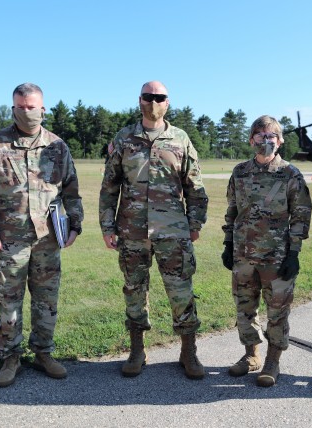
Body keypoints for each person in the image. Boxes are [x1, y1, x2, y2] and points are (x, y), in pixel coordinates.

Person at [0, 83, 83, 387]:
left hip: (47, 239)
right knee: (8, 302)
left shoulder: (57, 147)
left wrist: (75, 224)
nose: (26, 111)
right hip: (9, 241)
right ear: (13, 108)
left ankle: (44, 352)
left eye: (31, 106)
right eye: (20, 106)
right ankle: (10, 357)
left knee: (47, 301)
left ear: (43, 109)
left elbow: (71, 191)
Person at [99, 81, 209, 379]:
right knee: (134, 290)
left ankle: (189, 352)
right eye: (148, 97)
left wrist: (195, 224)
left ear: (167, 103)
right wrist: (107, 226)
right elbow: (109, 187)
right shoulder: (124, 138)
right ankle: (137, 350)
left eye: (159, 97)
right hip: (131, 231)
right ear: (140, 100)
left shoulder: (180, 139)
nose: (153, 102)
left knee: (181, 291)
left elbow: (195, 186)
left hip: (173, 231)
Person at [221, 115, 312, 387]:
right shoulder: (240, 172)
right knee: (244, 308)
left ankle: (273, 361)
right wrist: (228, 244)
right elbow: (232, 210)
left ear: (280, 140)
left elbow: (301, 215)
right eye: (260, 136)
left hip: (277, 257)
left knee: (277, 311)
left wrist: (294, 253)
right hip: (243, 254)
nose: (266, 140)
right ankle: (251, 355)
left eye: (271, 136)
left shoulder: (290, 174)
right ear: (251, 140)